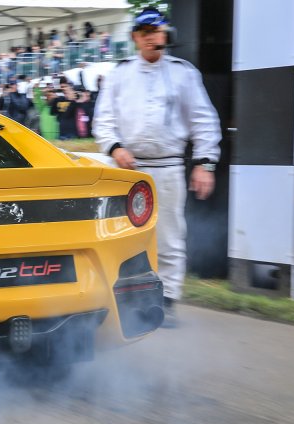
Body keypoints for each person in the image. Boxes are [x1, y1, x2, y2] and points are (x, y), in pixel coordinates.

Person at [93, 8, 221, 324]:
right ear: (136, 37)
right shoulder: (120, 74)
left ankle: (167, 300)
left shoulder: (183, 73)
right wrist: (115, 147)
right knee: (120, 235)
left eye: (157, 31)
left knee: (169, 236)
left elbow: (204, 121)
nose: (152, 38)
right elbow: (103, 120)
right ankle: (122, 299)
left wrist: (205, 163)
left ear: (165, 34)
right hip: (127, 171)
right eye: (146, 33)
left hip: (168, 167)